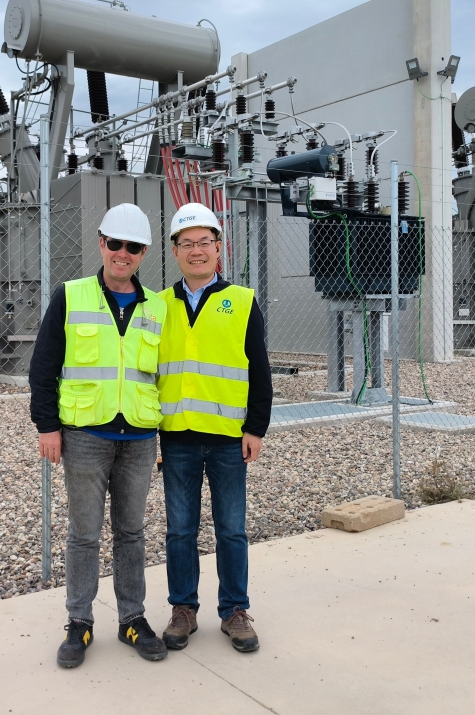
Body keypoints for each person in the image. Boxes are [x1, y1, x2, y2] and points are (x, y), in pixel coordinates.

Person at [28, 203, 169, 669]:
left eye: (133, 247)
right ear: (101, 244)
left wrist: (167, 436)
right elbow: (44, 366)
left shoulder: (157, 307)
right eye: (115, 244)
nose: (122, 254)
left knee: (132, 532)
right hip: (85, 435)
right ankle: (79, 622)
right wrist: (47, 426)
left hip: (139, 438)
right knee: (84, 534)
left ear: (144, 253)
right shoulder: (70, 296)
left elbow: (165, 376)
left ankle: (132, 618)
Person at [157, 202, 272, 653]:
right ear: (175, 251)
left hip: (228, 438)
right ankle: (183, 609)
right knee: (180, 530)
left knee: (231, 530)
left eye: (205, 242)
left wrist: (256, 427)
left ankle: (234, 610)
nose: (197, 251)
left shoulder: (241, 301)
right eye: (187, 243)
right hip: (177, 438)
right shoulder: (158, 305)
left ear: (219, 248)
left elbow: (259, 369)